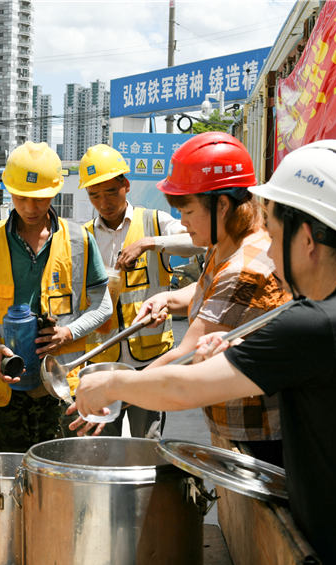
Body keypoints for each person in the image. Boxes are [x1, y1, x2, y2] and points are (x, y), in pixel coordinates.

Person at [72, 139, 336, 565]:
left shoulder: (311, 325)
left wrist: (113, 382)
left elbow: (183, 387)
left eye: (275, 232)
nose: (267, 250)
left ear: (306, 239)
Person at [123, 133, 289, 465]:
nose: (182, 221)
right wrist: (169, 299)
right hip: (233, 425)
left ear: (222, 205)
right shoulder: (227, 242)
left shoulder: (245, 268)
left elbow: (186, 357)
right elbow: (208, 293)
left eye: (187, 209)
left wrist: (116, 390)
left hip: (256, 440)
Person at [0, 141, 112, 452]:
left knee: (60, 479)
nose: (31, 208)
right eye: (22, 198)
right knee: (10, 475)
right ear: (9, 191)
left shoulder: (80, 240)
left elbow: (103, 305)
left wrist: (68, 333)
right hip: (7, 387)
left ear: (55, 192)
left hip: (60, 385)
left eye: (41, 199)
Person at [73, 143, 203, 438]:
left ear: (126, 186)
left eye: (110, 192)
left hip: (151, 363)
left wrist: (151, 243)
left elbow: (199, 241)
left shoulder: (154, 222)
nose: (104, 202)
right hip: (103, 364)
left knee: (149, 446)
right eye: (95, 195)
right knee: (103, 450)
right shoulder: (84, 238)